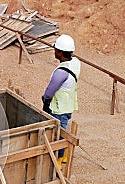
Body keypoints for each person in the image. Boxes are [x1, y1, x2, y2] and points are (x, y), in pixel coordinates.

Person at [42, 34, 81, 169]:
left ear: (59, 52)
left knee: (59, 132)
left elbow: (50, 92)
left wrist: (45, 99)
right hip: (69, 104)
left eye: (56, 50)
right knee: (64, 127)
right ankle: (64, 155)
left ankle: (58, 158)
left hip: (59, 107)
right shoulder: (75, 62)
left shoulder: (61, 73)